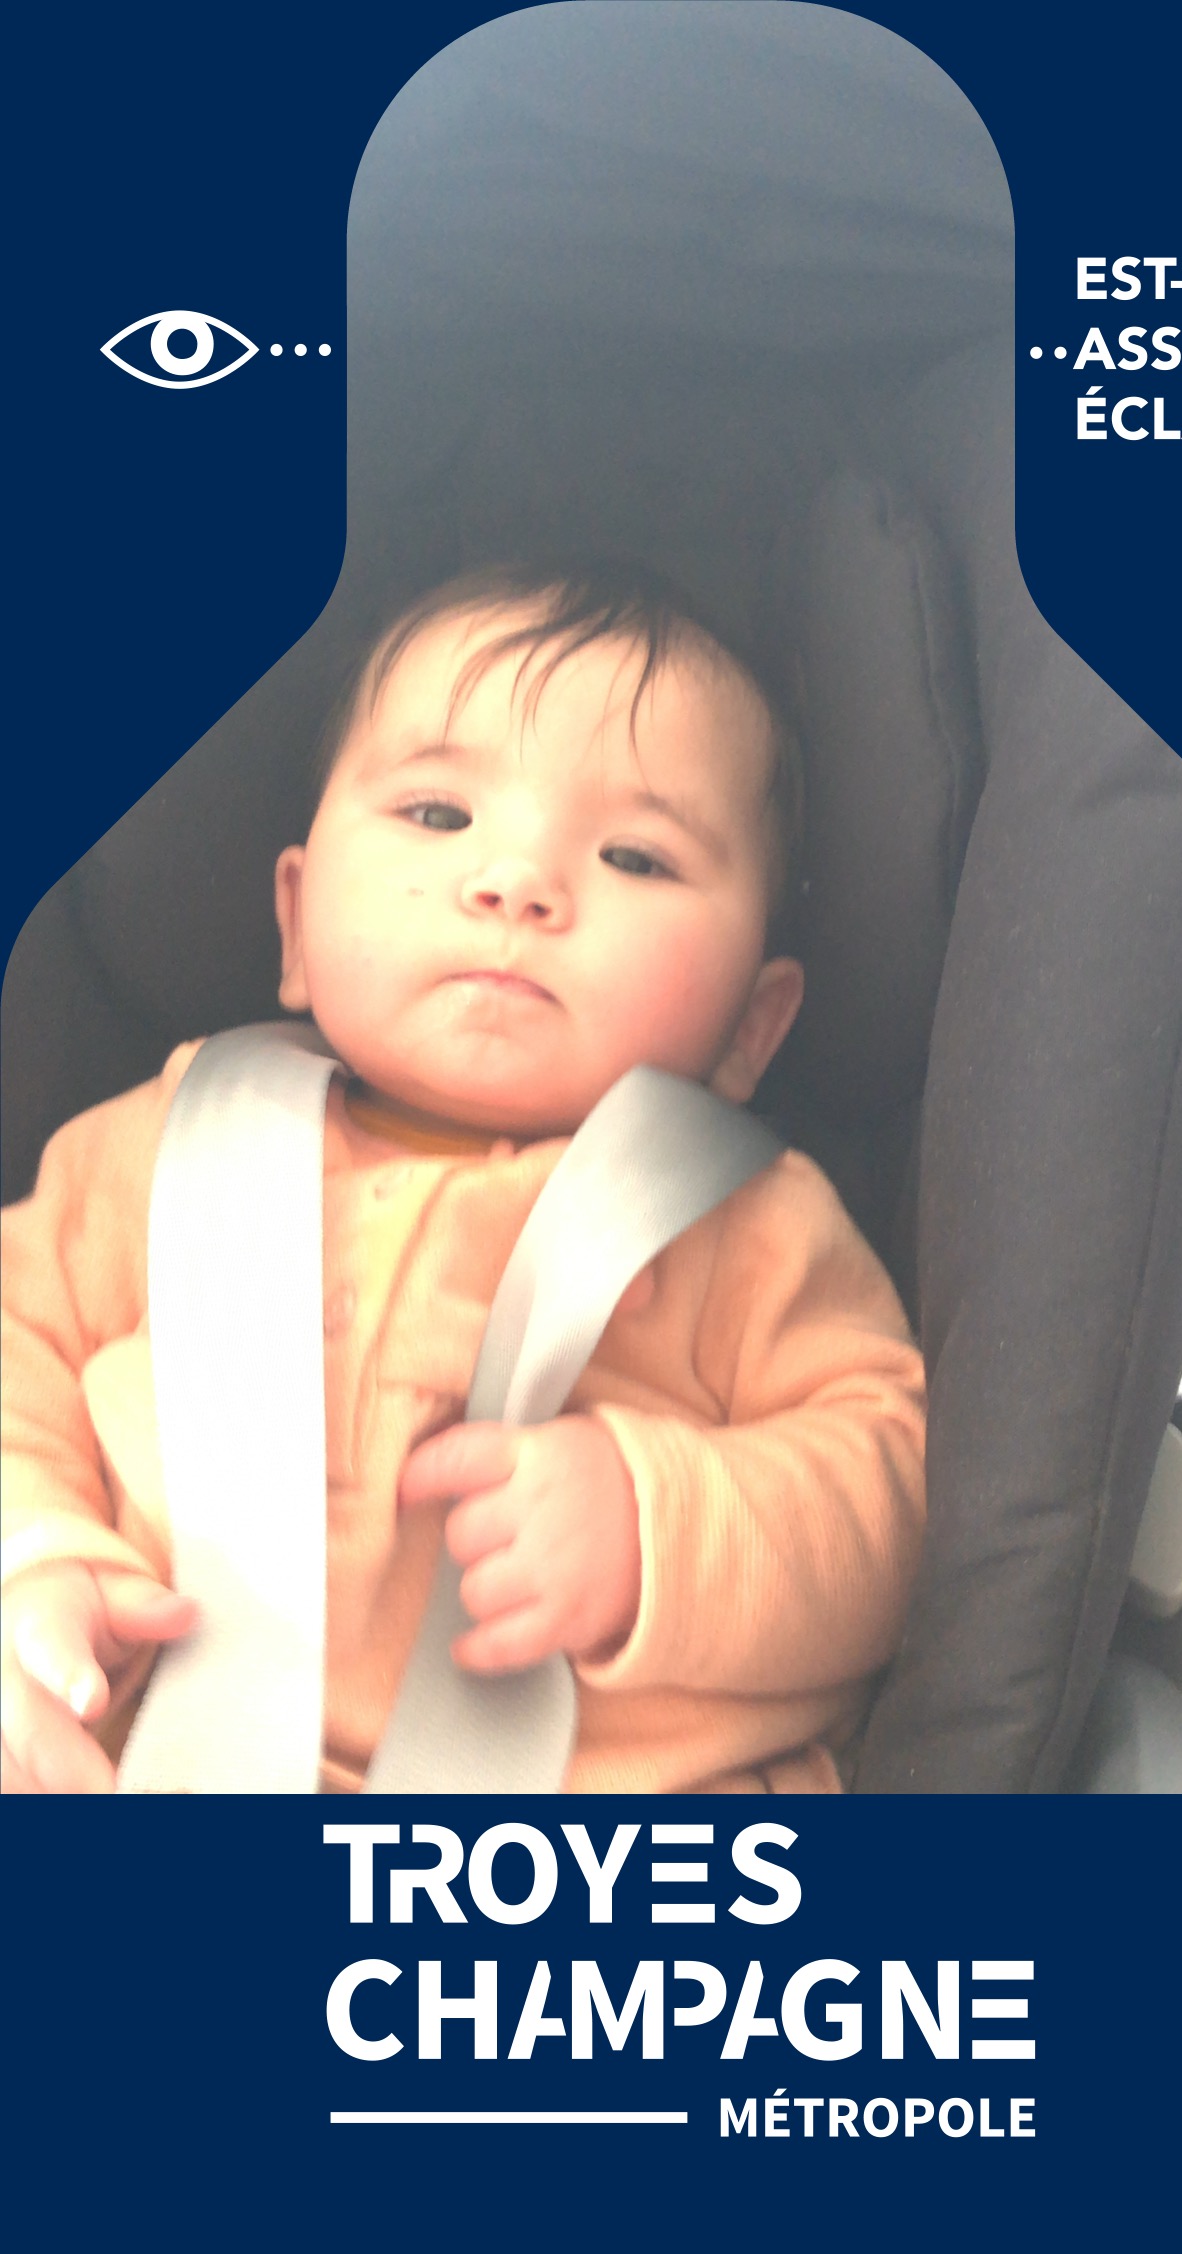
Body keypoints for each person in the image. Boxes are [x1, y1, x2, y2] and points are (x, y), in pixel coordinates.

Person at [1, 562, 927, 1794]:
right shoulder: (168, 1142)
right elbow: (16, 1349)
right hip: (137, 1756)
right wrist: (37, 1558)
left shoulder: (745, 1222)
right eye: (439, 814)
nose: (515, 882)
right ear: (295, 923)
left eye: (635, 856)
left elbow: (892, 1492)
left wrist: (654, 1519)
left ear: (751, 1029)